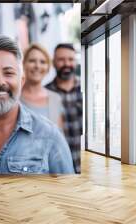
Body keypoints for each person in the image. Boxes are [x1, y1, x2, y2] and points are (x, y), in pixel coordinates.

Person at [0, 35, 74, 174]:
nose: (0, 82)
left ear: (22, 80)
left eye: (8, 73)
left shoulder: (49, 135)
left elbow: (66, 193)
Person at [46, 43, 82, 174]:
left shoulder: (86, 90)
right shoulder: (45, 93)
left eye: (70, 59)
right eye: (61, 59)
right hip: (58, 169)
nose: (66, 63)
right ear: (54, 62)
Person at [20, 43, 65, 130]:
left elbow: (60, 136)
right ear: (23, 64)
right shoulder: (14, 98)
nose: (37, 66)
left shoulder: (55, 99)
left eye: (42, 62)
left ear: (48, 67)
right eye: (32, 61)